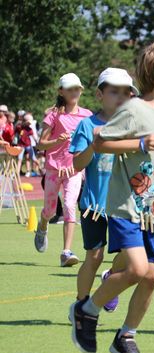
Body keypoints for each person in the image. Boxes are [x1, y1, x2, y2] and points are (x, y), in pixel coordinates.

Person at [69, 42, 154, 353]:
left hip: (153, 211)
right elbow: (101, 142)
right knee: (138, 269)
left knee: (153, 276)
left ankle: (125, 336)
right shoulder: (133, 109)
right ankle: (86, 310)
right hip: (126, 207)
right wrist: (139, 141)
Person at [69, 67, 138, 312]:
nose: (121, 97)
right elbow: (77, 164)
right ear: (99, 95)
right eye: (114, 91)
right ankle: (81, 303)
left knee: (132, 257)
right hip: (94, 205)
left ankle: (111, 278)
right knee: (94, 257)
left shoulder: (132, 125)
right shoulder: (87, 126)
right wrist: (95, 145)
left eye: (126, 92)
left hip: (124, 204)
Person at [33, 73, 92, 266]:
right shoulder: (53, 115)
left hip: (74, 170)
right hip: (53, 169)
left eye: (77, 88)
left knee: (69, 206)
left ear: (81, 91)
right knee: (50, 211)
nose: (74, 92)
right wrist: (56, 141)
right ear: (61, 91)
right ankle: (42, 225)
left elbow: (93, 142)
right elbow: (41, 145)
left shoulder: (87, 116)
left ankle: (66, 252)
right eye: (69, 89)